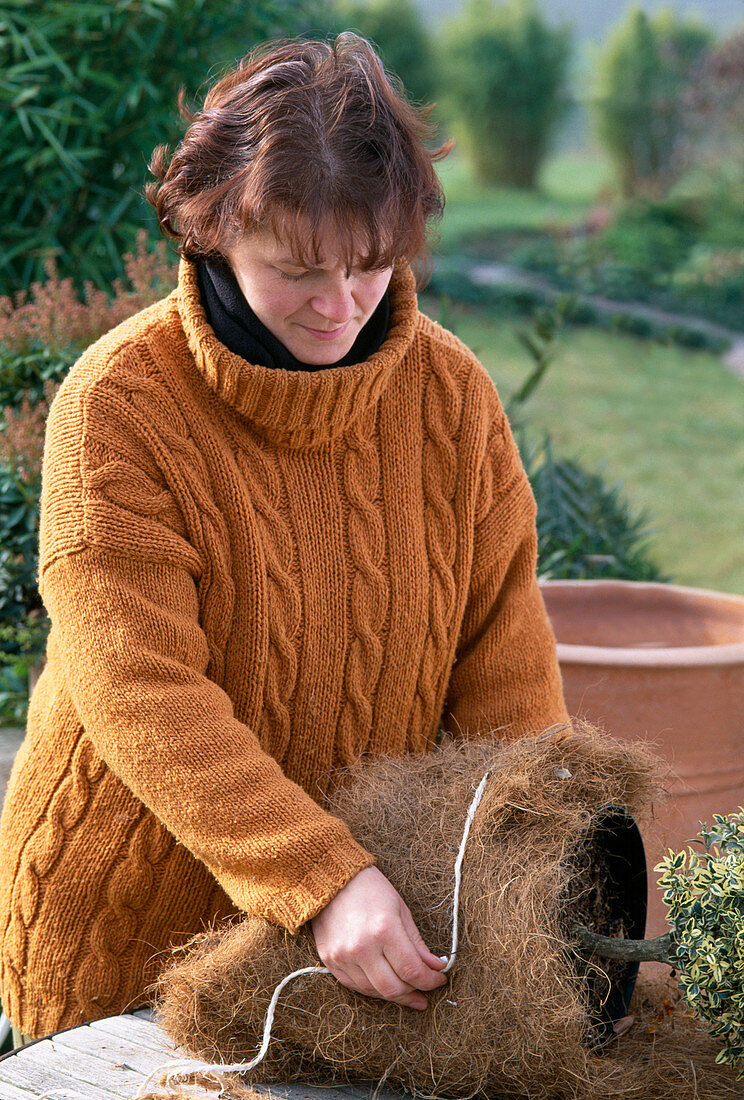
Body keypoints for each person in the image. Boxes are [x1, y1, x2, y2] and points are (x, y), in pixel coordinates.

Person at [0, 33, 569, 1040]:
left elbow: (506, 671)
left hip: (359, 964)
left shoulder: (451, 398)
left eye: (369, 263)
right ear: (214, 226)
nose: (341, 304)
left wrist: (542, 867)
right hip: (128, 948)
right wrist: (317, 876)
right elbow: (144, 691)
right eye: (299, 268)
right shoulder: (119, 405)